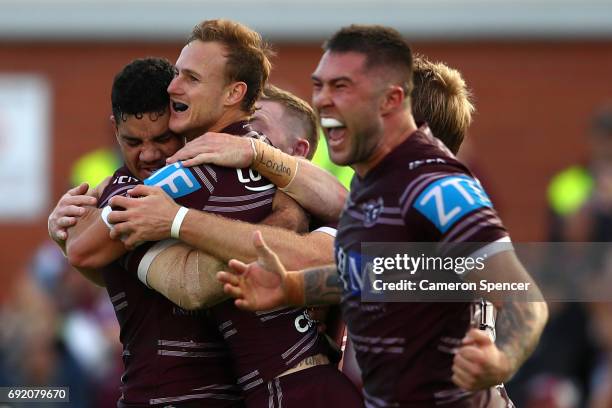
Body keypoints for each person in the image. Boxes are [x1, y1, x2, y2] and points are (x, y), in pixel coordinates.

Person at [217, 24, 549, 407]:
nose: (324, 103)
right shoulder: (372, 190)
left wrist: (501, 359)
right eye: (321, 87)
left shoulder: (436, 185)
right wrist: (292, 287)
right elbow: (377, 274)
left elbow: (524, 298)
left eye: (343, 89)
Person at [51, 57, 244, 407]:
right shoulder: (118, 190)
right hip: (157, 396)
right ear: (115, 130)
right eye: (133, 142)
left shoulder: (212, 167)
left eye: (162, 138)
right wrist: (63, 235)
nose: (149, 154)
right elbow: (84, 254)